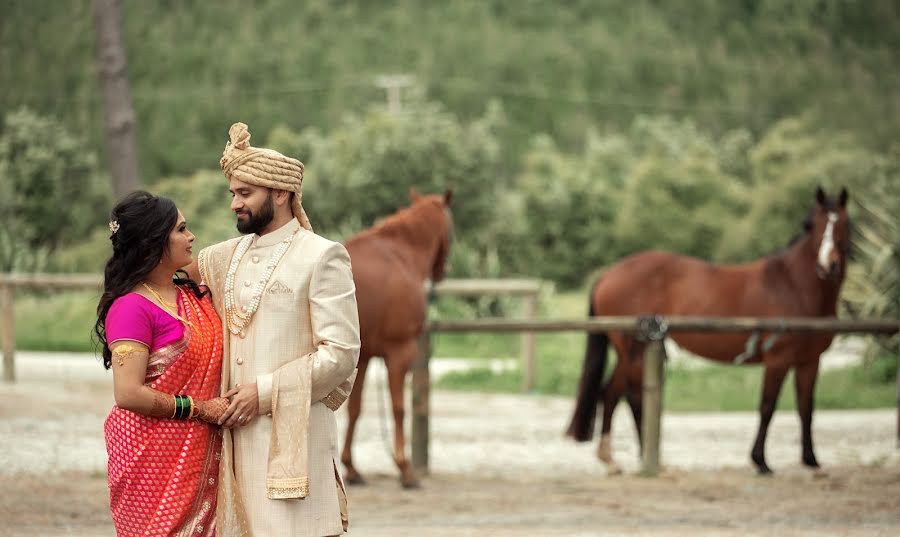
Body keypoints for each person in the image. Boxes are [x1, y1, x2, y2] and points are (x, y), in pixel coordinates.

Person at [194, 122, 360, 537]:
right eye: (233, 193)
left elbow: (341, 354)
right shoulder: (221, 258)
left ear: (281, 194)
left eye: (245, 193)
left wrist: (263, 393)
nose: (234, 204)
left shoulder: (322, 256)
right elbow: (162, 273)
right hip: (230, 446)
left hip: (295, 447)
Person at [95, 191, 230, 536]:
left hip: (204, 457)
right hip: (153, 465)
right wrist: (201, 409)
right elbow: (127, 393)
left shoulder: (193, 295)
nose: (191, 237)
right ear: (155, 241)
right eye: (182, 229)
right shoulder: (131, 307)